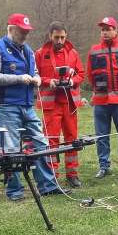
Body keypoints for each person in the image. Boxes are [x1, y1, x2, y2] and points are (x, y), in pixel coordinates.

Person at [0, 13, 69, 200]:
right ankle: (14, 191)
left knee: (41, 143)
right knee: (11, 149)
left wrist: (37, 78)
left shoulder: (28, 51)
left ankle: (47, 186)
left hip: (27, 105)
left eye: (27, 32)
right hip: (5, 106)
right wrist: (18, 79)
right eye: (21, 31)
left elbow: (35, 71)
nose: (24, 35)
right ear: (10, 29)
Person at [86, 16, 118, 179]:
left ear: (115, 30)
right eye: (103, 29)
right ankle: (104, 166)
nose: (105, 32)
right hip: (101, 100)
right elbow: (89, 74)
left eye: (108, 29)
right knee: (101, 135)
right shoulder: (94, 50)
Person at [36, 21, 85, 188]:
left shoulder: (73, 53)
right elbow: (35, 76)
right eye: (56, 37)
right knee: (51, 141)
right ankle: (52, 175)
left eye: (62, 37)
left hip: (69, 103)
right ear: (50, 36)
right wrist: (49, 81)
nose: (59, 40)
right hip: (51, 105)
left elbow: (81, 74)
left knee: (72, 140)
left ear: (66, 36)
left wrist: (73, 82)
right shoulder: (40, 54)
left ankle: (72, 174)